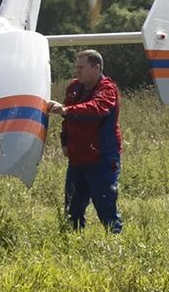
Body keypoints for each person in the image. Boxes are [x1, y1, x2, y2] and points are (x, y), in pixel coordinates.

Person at [46, 49, 123, 233]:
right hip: (77, 158)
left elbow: (97, 108)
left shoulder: (107, 89)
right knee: (72, 208)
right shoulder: (74, 87)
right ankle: (74, 244)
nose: (77, 71)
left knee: (105, 207)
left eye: (81, 67)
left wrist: (66, 110)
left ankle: (115, 243)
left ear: (96, 68)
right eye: (76, 67)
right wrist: (65, 143)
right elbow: (67, 121)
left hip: (101, 159)